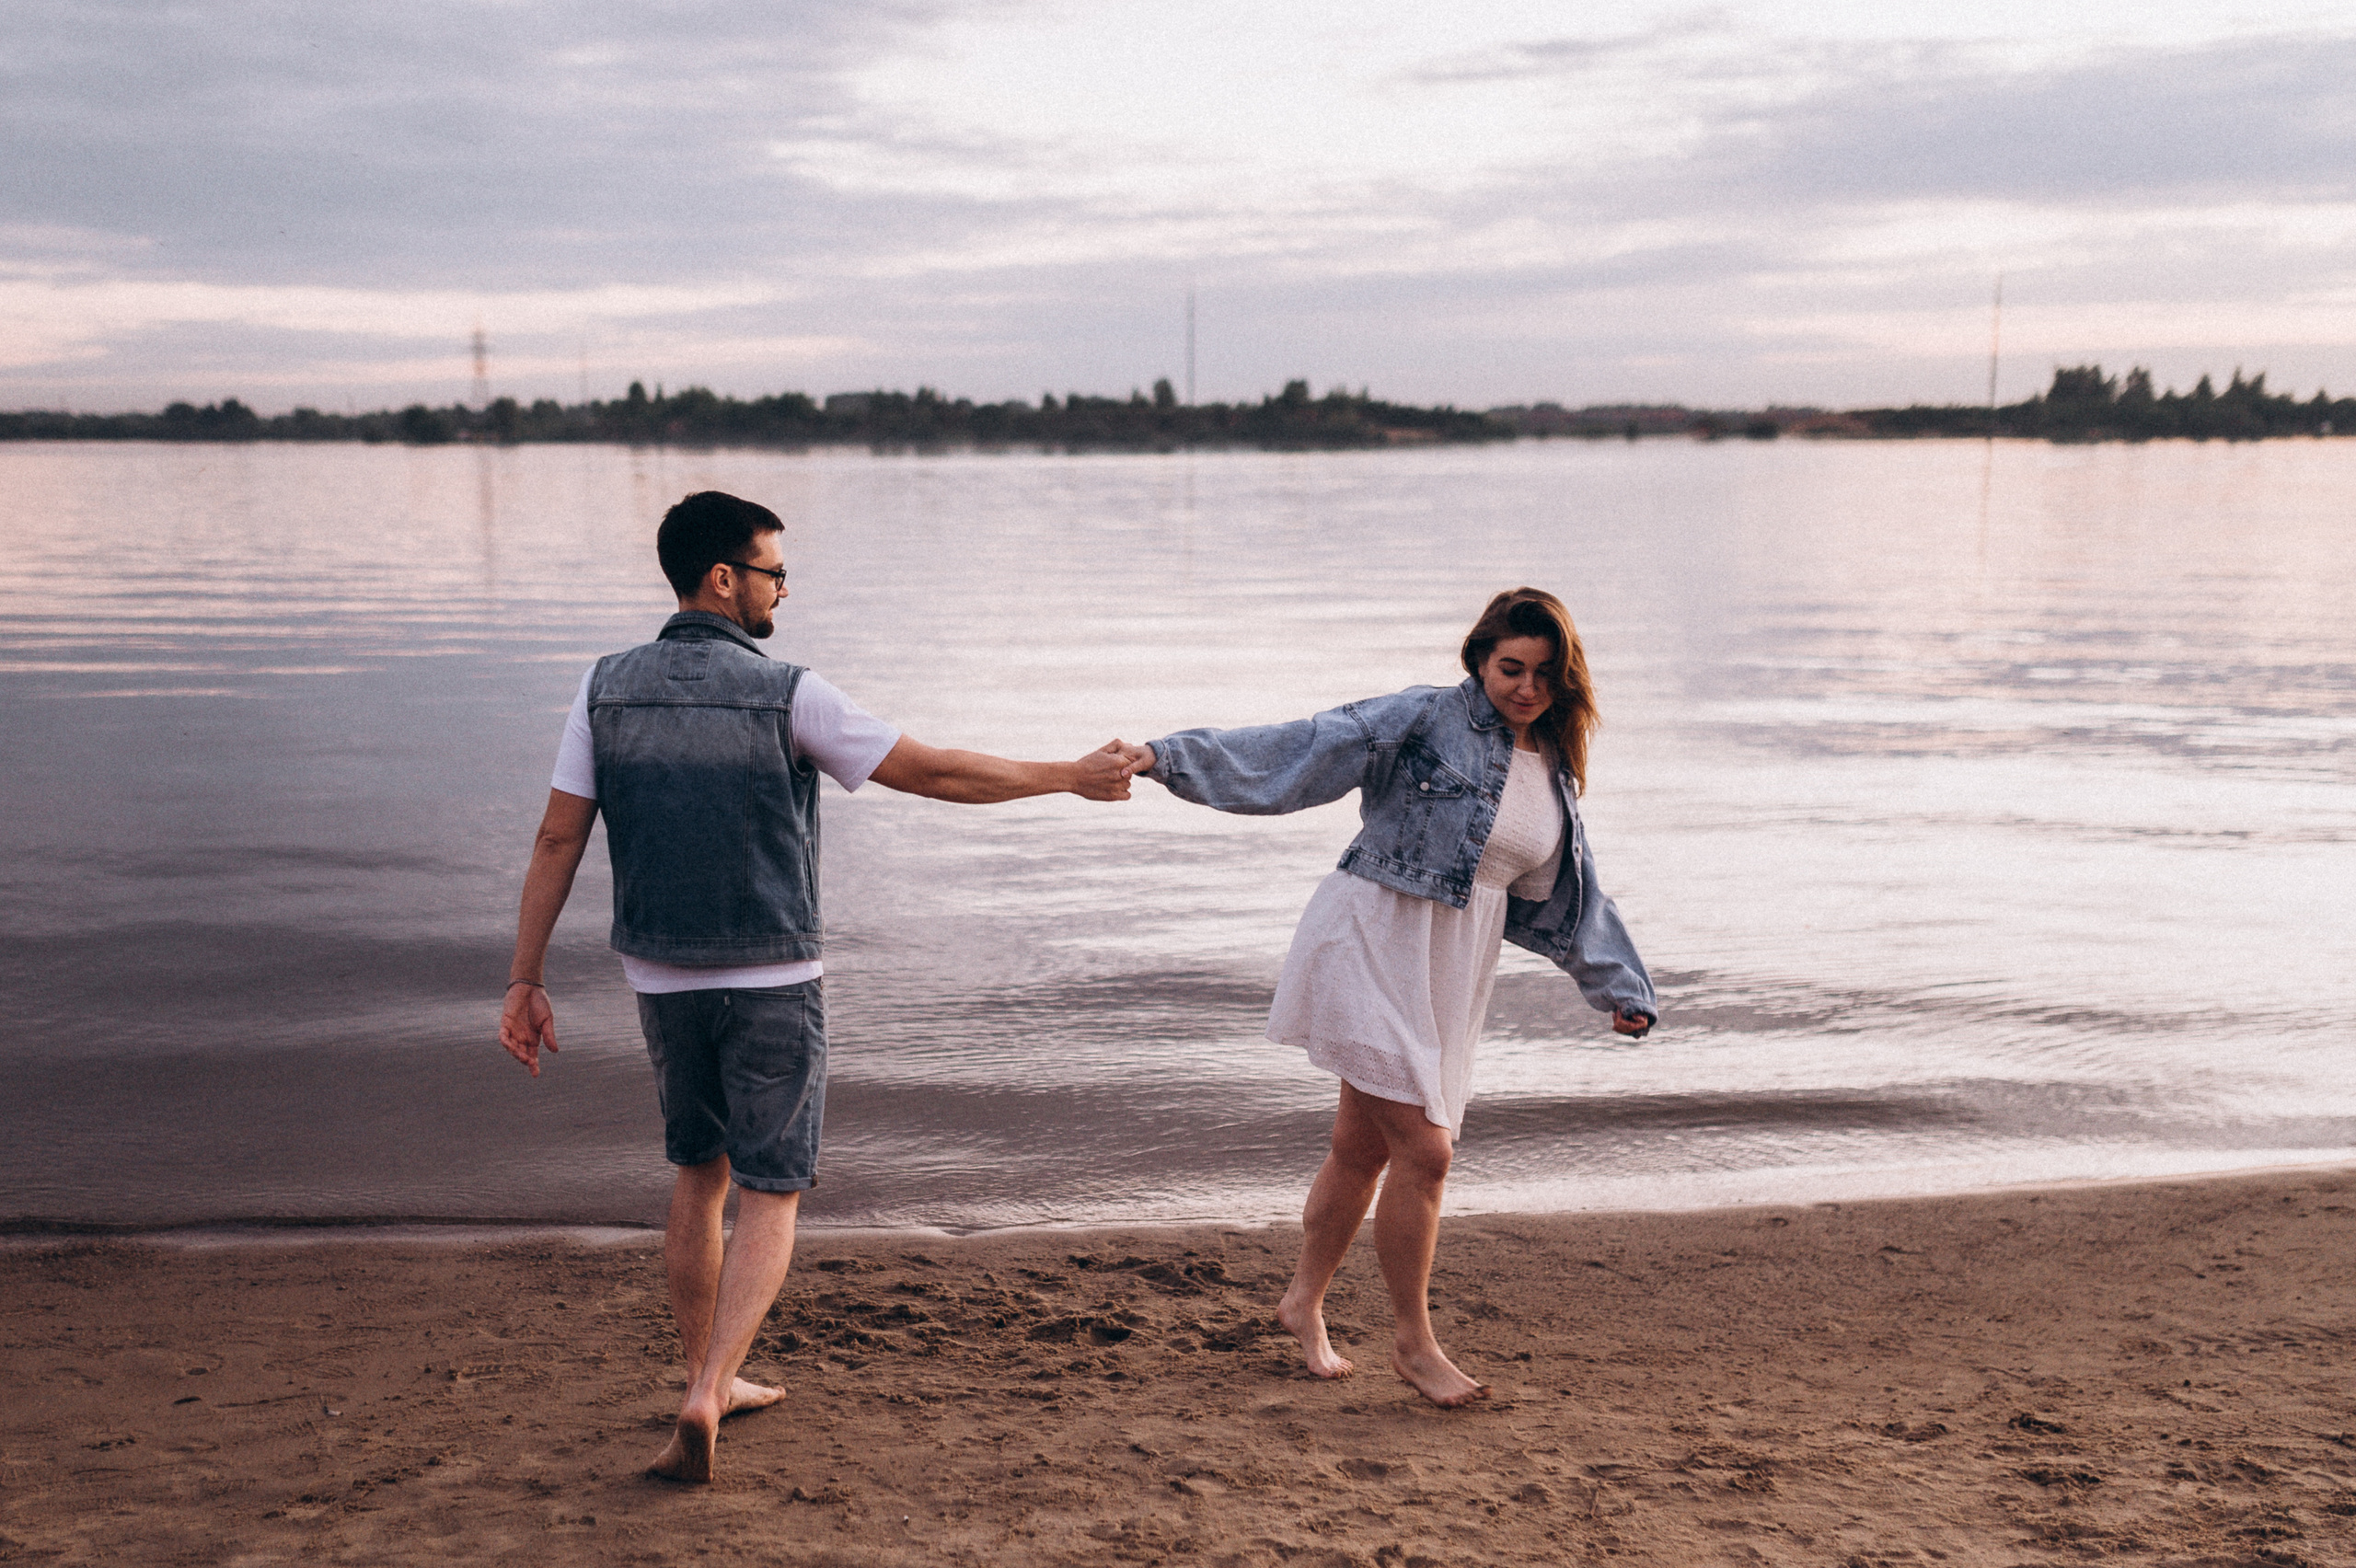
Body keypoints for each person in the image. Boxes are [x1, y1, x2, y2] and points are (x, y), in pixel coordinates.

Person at [498, 490, 1136, 1482]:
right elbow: (930, 774)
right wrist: (1067, 775)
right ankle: (714, 1386)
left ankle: (703, 1377)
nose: (781, 593)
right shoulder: (789, 691)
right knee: (770, 1188)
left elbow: (555, 836)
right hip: (771, 970)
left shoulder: (602, 689)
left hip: (660, 973)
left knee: (696, 1172)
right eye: (773, 573)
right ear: (724, 578)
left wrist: (524, 977)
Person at [1118, 587, 1656, 1407]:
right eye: (1510, 667)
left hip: (1451, 967)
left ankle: (1303, 1304)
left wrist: (1617, 986)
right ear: (1479, 659)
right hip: (1369, 940)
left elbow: (1573, 896)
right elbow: (1305, 748)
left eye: (1544, 674)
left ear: (1566, 681)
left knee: (1362, 1149)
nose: (1524, 687)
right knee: (1427, 1153)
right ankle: (1415, 1345)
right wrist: (1170, 757)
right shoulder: (1424, 718)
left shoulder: (1554, 769)